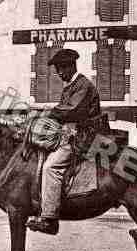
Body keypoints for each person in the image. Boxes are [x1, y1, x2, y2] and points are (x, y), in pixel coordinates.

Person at [26, 48, 101, 234]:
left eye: (61, 69)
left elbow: (70, 110)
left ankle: (49, 219)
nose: (59, 73)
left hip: (83, 137)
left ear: (71, 66)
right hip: (71, 133)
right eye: (57, 69)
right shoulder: (71, 86)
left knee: (51, 166)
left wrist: (46, 112)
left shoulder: (83, 85)